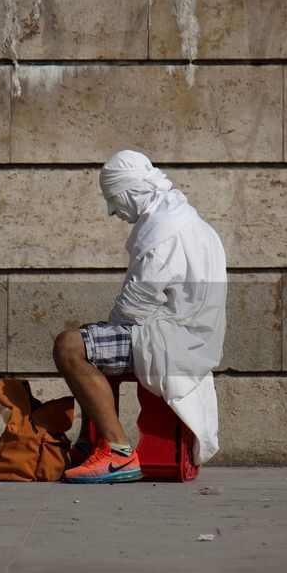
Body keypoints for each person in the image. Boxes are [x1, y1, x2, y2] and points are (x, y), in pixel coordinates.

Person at [53, 149, 227, 483]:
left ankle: (117, 452)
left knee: (70, 347)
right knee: (90, 341)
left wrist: (100, 331)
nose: (112, 211)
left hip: (170, 339)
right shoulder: (189, 220)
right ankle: (91, 443)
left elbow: (138, 302)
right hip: (191, 337)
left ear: (132, 191)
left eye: (114, 200)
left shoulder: (164, 229)